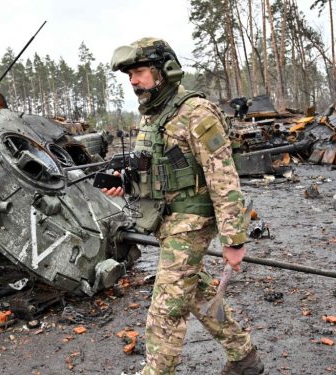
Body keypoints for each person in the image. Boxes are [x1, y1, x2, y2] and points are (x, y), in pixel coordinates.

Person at [105, 37, 264, 375]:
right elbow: (156, 170)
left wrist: (233, 240)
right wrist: (124, 181)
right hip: (168, 218)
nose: (133, 81)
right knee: (197, 292)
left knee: (166, 307)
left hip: (192, 218)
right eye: (129, 75)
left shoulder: (196, 112)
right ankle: (244, 356)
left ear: (165, 71)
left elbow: (224, 178)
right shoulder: (153, 115)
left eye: (139, 72)